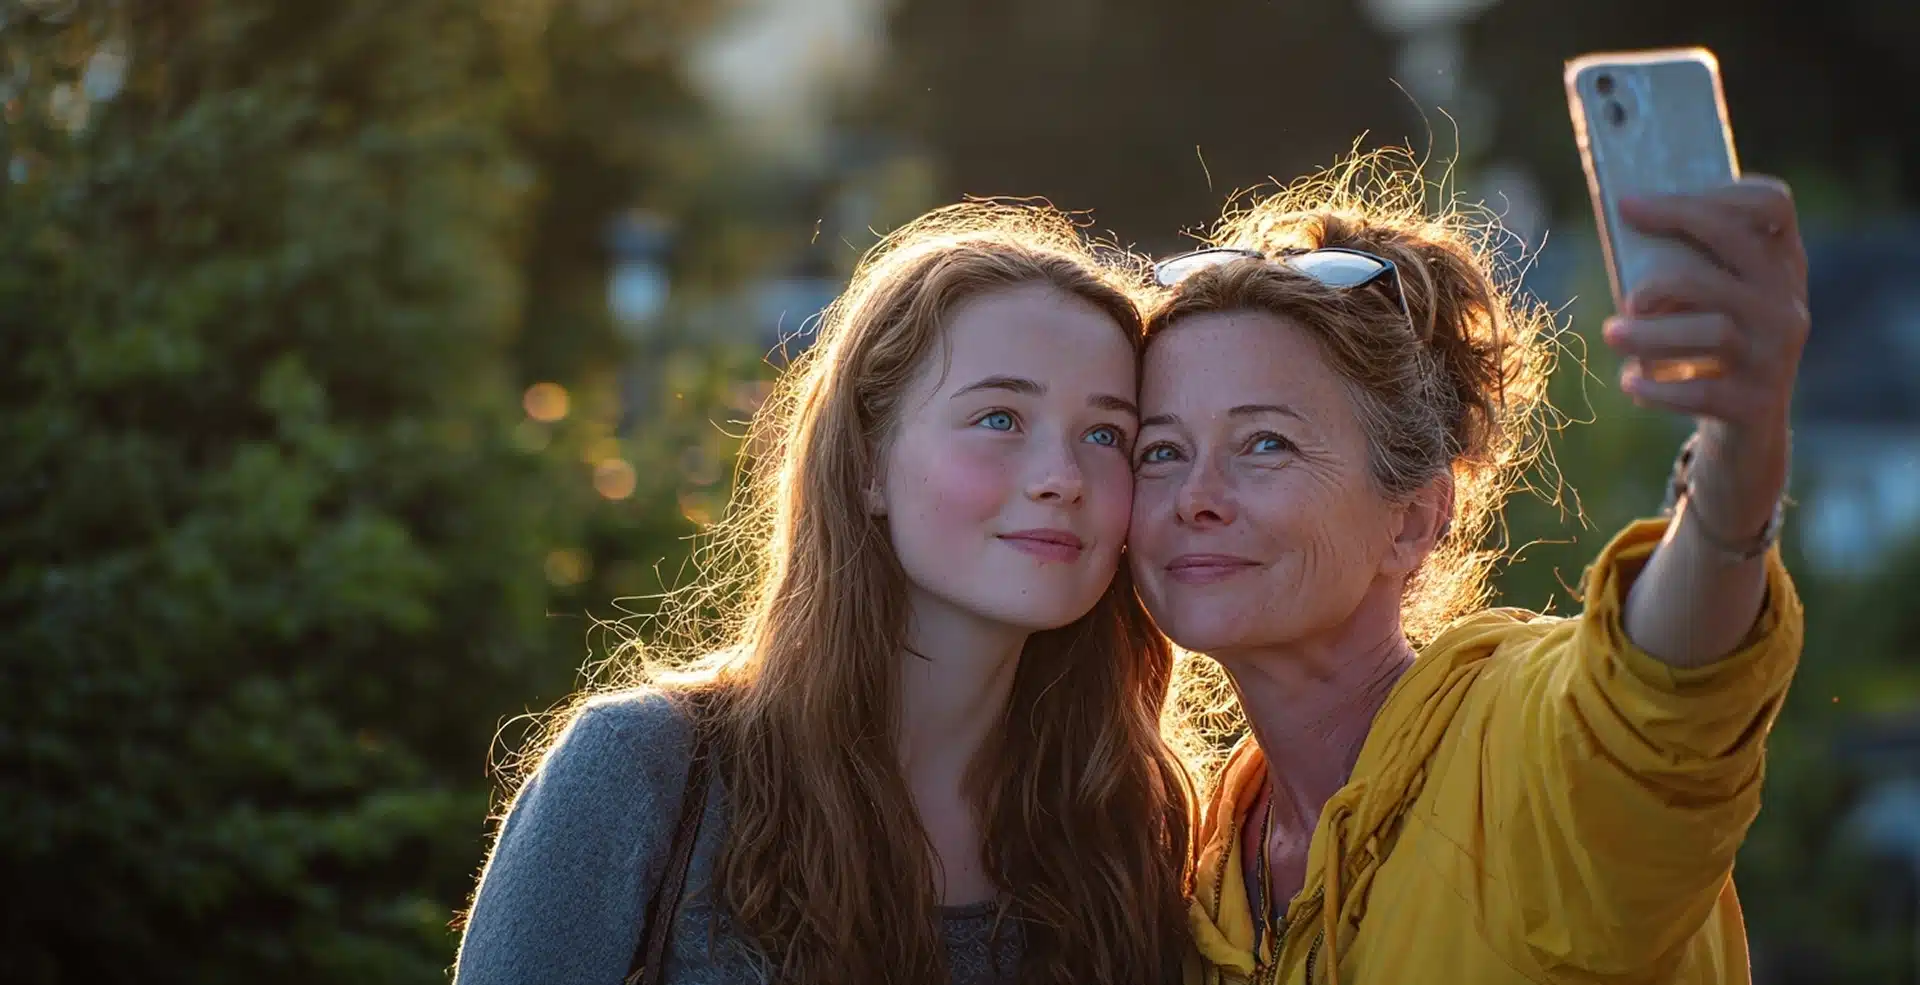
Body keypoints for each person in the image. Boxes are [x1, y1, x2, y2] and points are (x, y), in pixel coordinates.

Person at [454, 203, 1195, 985]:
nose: (1062, 478)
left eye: (1106, 433)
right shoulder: (643, 774)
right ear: (869, 464)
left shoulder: (1129, 831)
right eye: (1000, 417)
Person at [1137, 155, 1808, 984]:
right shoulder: (1188, 871)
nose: (1194, 497)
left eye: (1264, 443)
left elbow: (1657, 701)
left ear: (1414, 519)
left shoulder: (1519, 752)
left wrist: (1738, 459)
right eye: (1161, 450)